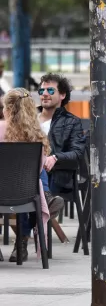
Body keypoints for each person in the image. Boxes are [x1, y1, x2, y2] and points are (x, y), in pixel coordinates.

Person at [0, 88, 61, 262]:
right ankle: (22, 242)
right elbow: (40, 168)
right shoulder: (37, 135)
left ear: (8, 109)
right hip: (27, 195)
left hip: (1, 192)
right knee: (35, 180)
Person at [37, 73, 86, 195]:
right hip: (26, 170)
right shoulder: (29, 118)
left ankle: (45, 207)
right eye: (42, 90)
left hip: (54, 174)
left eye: (51, 90)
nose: (45, 94)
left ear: (62, 95)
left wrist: (55, 158)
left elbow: (77, 153)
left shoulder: (72, 122)